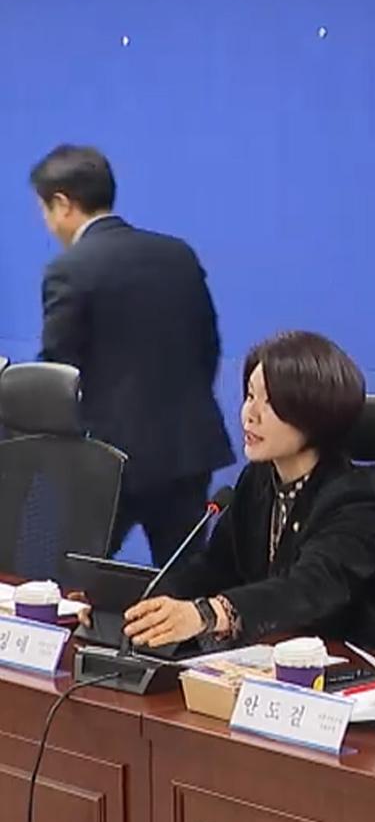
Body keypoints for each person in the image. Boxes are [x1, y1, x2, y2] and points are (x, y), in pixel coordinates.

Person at [121, 332, 375, 650]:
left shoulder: (355, 503)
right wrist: (134, 605)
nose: (250, 414)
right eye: (250, 396)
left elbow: (304, 589)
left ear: (314, 413)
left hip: (354, 666)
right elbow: (214, 569)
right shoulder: (258, 480)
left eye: (270, 403)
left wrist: (209, 614)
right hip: (271, 661)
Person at [31, 144, 234, 560]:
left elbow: (58, 374)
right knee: (183, 579)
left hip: (107, 459)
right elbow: (208, 347)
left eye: (45, 210)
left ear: (63, 204)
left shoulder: (69, 269)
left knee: (75, 575)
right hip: (186, 451)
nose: (47, 224)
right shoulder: (177, 254)